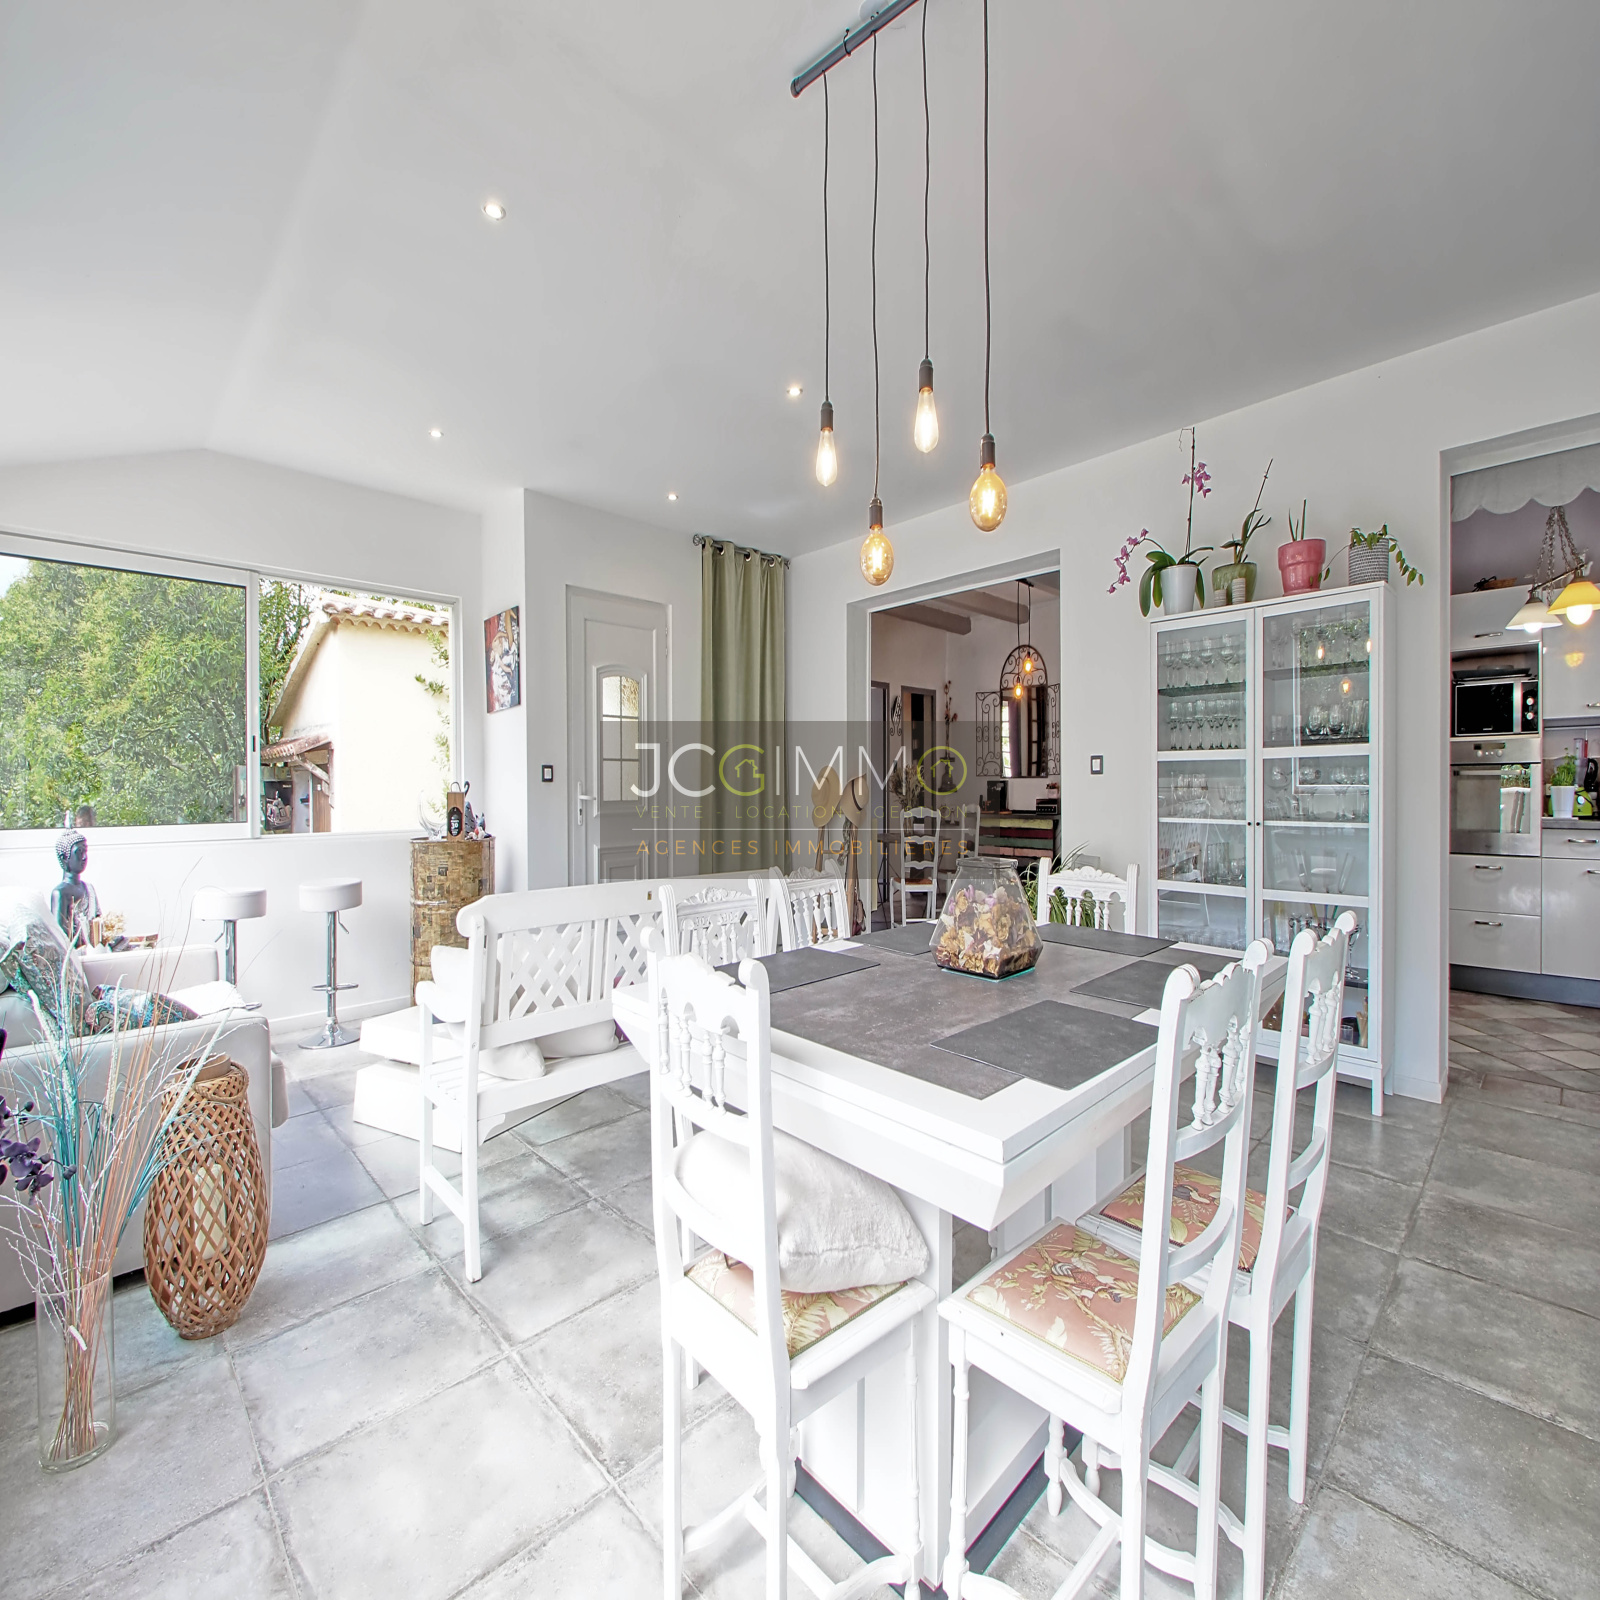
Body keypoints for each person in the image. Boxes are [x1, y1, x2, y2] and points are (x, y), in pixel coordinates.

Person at [50, 829, 100, 948]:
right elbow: (59, 937)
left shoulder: (89, 888)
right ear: (64, 858)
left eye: (85, 851)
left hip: (94, 950)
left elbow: (99, 924)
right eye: (79, 852)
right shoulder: (60, 893)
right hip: (73, 953)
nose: (84, 857)